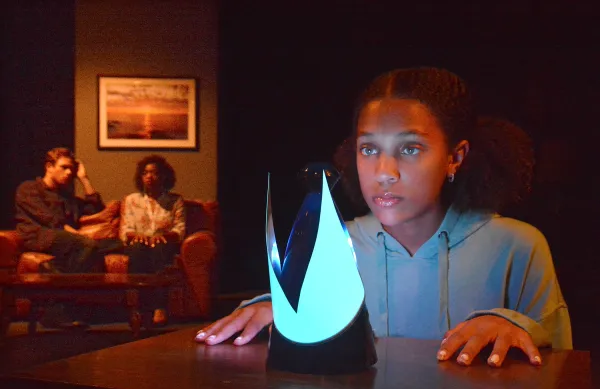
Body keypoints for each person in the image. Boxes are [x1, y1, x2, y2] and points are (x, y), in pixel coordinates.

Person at [195, 67, 572, 367]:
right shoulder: (331, 244)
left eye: (410, 148)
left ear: (455, 157)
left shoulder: (517, 246)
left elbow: (562, 373)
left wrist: (513, 327)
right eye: (369, 149)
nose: (384, 172)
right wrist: (272, 309)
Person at [15, 147, 123, 328]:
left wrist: (84, 179)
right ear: (49, 167)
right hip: (39, 236)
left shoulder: (66, 197)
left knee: (116, 244)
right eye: (64, 167)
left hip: (63, 240)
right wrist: (76, 235)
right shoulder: (29, 188)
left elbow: (94, 209)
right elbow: (49, 219)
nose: (68, 173)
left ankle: (54, 268)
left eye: (71, 169)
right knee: (88, 246)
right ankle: (55, 310)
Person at [120, 154, 186, 325]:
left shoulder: (175, 200)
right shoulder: (131, 200)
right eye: (145, 173)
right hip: (138, 243)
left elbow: (179, 229)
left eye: (154, 173)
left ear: (164, 176)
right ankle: (137, 308)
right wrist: (137, 236)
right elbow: (126, 229)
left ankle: (159, 307)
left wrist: (164, 236)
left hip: (163, 244)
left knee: (159, 248)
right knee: (138, 249)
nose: (149, 177)